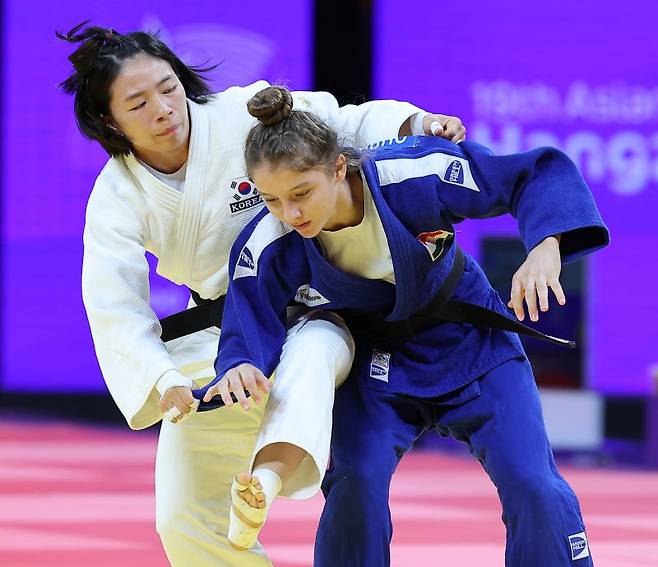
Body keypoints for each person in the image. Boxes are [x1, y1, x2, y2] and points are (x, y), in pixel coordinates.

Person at [57, 22, 465, 566]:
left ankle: (269, 478)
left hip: (314, 307)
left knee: (314, 356)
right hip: (220, 337)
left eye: (169, 87)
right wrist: (161, 376)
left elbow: (343, 122)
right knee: (183, 519)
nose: (163, 108)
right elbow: (114, 301)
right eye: (139, 103)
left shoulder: (240, 114)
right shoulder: (116, 195)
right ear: (110, 120)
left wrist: (416, 121)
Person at [201, 85, 609, 566]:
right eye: (271, 200)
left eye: (301, 193)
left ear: (338, 168)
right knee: (356, 483)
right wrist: (239, 363)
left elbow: (532, 173)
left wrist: (546, 247)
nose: (290, 213)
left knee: (533, 483)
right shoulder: (273, 238)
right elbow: (249, 308)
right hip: (379, 364)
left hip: (472, 343)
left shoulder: (410, 174)